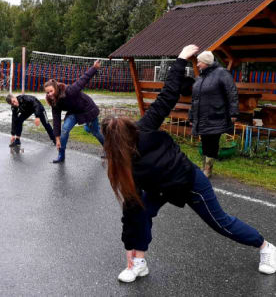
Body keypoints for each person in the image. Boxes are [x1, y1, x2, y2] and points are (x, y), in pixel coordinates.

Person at [101, 45, 275, 283]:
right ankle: (138, 263)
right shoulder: (121, 165)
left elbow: (168, 94)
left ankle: (266, 248)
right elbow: (130, 210)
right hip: (159, 188)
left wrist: (181, 59)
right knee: (140, 213)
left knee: (221, 223)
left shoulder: (145, 126)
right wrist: (129, 249)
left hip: (188, 181)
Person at [189, 51, 239, 177]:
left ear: (206, 62)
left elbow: (232, 92)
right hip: (203, 116)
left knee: (211, 141)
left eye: (200, 61)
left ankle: (207, 169)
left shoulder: (222, 73)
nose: (198, 64)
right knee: (205, 141)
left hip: (216, 114)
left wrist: (233, 112)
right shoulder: (200, 77)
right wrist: (191, 115)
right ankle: (205, 167)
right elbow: (195, 99)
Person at [44, 60, 104, 163]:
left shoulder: (69, 90)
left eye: (51, 91)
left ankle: (108, 148)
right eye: (47, 92)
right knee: (65, 130)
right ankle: (61, 155)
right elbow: (56, 120)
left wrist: (94, 68)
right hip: (74, 112)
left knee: (95, 131)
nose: (49, 94)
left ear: (56, 89)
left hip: (87, 108)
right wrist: (57, 138)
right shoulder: (54, 102)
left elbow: (83, 80)